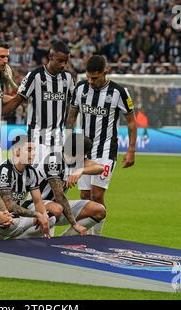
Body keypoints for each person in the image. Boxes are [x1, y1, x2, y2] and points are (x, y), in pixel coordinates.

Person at [65, 55, 137, 236]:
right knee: (84, 196)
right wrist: (67, 140)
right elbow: (72, 114)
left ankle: (96, 236)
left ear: (106, 72)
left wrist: (131, 150)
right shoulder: (80, 88)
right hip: (83, 150)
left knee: (97, 196)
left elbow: (131, 122)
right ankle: (86, 237)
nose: (90, 81)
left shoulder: (119, 92)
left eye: (94, 78)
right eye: (88, 77)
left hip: (105, 149)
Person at [3, 40, 75, 163]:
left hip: (58, 140)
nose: (63, 65)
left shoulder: (67, 78)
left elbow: (74, 105)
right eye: (60, 61)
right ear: (50, 57)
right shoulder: (35, 76)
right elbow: (17, 101)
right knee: (36, 179)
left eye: (66, 61)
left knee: (56, 178)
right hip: (37, 139)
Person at [25, 133, 106, 236]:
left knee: (99, 210)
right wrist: (74, 224)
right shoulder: (53, 161)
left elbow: (100, 168)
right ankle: (26, 236)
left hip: (58, 207)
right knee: (57, 208)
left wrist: (81, 170)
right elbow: (59, 196)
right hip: (35, 206)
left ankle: (66, 238)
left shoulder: (76, 161)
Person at [0, 135, 51, 240]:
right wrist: (36, 214)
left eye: (34, 150)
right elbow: (8, 205)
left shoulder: (31, 172)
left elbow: (38, 201)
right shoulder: (5, 170)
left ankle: (13, 244)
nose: (33, 153)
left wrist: (43, 217)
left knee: (50, 218)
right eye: (29, 149)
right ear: (17, 151)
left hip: (12, 214)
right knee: (9, 220)